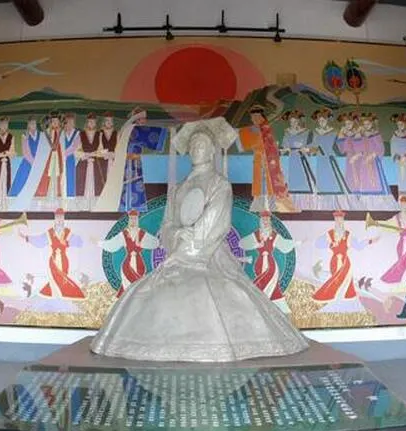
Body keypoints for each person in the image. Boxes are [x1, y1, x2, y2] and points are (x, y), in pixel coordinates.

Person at [90, 117, 308, 362]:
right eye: (193, 146)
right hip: (178, 253)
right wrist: (176, 234)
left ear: (213, 150)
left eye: (202, 145)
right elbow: (166, 224)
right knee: (143, 293)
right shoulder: (179, 187)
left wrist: (189, 249)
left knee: (204, 289)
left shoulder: (219, 184)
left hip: (208, 255)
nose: (196, 150)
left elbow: (216, 223)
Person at [96, 107, 167, 212]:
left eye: (144, 119)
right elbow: (152, 135)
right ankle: (132, 207)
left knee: (130, 184)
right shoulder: (135, 129)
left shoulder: (129, 128)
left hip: (130, 162)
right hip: (131, 162)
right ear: (137, 119)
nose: (144, 121)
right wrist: (169, 131)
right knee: (132, 184)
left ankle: (127, 207)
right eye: (142, 119)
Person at [236, 105, 296, 213]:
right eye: (253, 117)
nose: (254, 119)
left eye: (256, 117)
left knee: (270, 184)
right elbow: (246, 139)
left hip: (269, 160)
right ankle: (259, 205)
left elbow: (270, 144)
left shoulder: (264, 129)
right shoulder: (257, 129)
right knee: (259, 184)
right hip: (260, 159)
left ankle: (273, 205)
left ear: (260, 117)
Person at [240, 210, 299, 313]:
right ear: (261, 222)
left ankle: (262, 303)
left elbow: (284, 245)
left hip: (271, 264)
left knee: (272, 283)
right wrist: (256, 245)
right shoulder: (257, 234)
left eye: (267, 220)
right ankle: (263, 303)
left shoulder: (273, 235)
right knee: (263, 281)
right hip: (260, 263)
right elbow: (242, 243)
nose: (266, 222)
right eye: (264, 220)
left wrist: (296, 243)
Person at [312, 210, 377, 303]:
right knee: (335, 279)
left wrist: (369, 241)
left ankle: (345, 297)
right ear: (335, 220)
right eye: (337, 219)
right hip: (334, 261)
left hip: (345, 261)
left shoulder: (347, 235)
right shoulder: (330, 234)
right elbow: (317, 244)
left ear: (343, 221)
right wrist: (330, 244)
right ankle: (331, 296)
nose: (339, 222)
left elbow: (358, 246)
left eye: (341, 219)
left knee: (347, 280)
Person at [21, 208, 85, 299]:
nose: (59, 219)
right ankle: (56, 296)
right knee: (54, 278)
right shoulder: (50, 233)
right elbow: (39, 240)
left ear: (63, 218)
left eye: (61, 217)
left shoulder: (67, 232)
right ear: (55, 218)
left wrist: (66, 243)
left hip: (64, 260)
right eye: (57, 217)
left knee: (63, 279)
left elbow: (79, 241)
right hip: (53, 260)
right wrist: (26, 237)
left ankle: (62, 296)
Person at [99, 209, 160, 297]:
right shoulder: (124, 234)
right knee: (127, 288)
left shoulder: (141, 233)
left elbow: (155, 243)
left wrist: (141, 244)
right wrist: (99, 243)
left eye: (135, 219)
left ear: (137, 220)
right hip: (127, 265)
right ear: (129, 220)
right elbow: (112, 245)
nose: (133, 221)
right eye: (131, 219)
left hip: (139, 264)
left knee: (139, 286)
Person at [308, 108, 346, 196]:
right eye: (319, 121)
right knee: (321, 179)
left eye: (323, 120)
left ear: (327, 120)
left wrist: (342, 137)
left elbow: (340, 146)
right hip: (320, 158)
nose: (321, 123)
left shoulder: (334, 131)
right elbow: (312, 145)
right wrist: (309, 149)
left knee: (332, 178)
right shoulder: (314, 132)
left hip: (330, 157)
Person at [75, 113, 109, 209]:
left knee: (96, 184)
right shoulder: (81, 134)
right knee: (82, 184)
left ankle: (95, 205)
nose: (91, 124)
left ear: (95, 123)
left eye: (93, 122)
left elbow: (101, 150)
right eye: (90, 122)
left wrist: (95, 154)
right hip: (84, 163)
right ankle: (82, 205)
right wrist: (85, 155)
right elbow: (77, 150)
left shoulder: (99, 134)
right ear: (87, 122)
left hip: (95, 163)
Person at [280, 110, 315, 194]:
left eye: (295, 121)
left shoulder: (306, 131)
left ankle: (306, 190)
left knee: (304, 175)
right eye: (291, 122)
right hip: (293, 156)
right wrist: (284, 149)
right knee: (293, 176)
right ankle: (293, 191)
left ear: (298, 121)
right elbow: (285, 144)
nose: (293, 124)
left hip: (302, 156)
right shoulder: (287, 131)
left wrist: (305, 148)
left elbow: (311, 145)